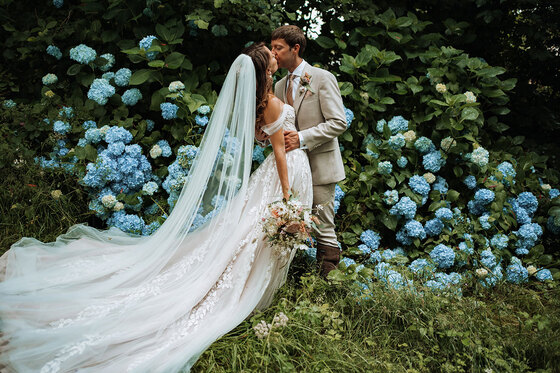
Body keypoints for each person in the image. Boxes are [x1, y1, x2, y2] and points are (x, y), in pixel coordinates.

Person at [0, 43, 312, 372]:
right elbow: (278, 152)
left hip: (281, 172)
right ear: (265, 67)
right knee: (255, 234)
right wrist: (288, 198)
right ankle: (247, 291)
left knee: (251, 234)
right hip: (284, 174)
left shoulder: (265, 102)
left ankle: (253, 286)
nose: (276, 55)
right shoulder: (273, 104)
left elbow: (266, 139)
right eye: (271, 53)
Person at [271, 25, 347, 277]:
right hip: (291, 167)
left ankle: (328, 283)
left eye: (278, 48)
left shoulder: (322, 78)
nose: (274, 53)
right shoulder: (279, 86)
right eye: (272, 48)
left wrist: (301, 138)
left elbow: (339, 122)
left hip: (319, 165)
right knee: (289, 221)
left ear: (295, 49)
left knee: (324, 225)